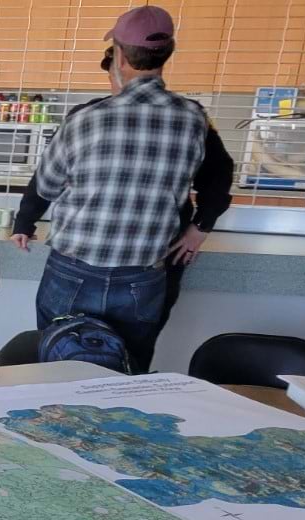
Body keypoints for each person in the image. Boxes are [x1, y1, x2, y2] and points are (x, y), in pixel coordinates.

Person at [11, 45, 233, 347]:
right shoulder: (190, 115)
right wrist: (25, 220)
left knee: (60, 352)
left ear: (120, 65)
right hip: (146, 269)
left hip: (100, 265)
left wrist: (201, 225)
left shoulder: (86, 117)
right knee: (130, 359)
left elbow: (47, 179)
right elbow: (221, 172)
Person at [30, 5, 209, 372]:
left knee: (56, 371)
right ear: (167, 54)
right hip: (142, 276)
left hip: (74, 271)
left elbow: (46, 185)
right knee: (129, 374)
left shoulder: (86, 119)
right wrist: (199, 225)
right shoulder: (192, 118)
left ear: (121, 58)